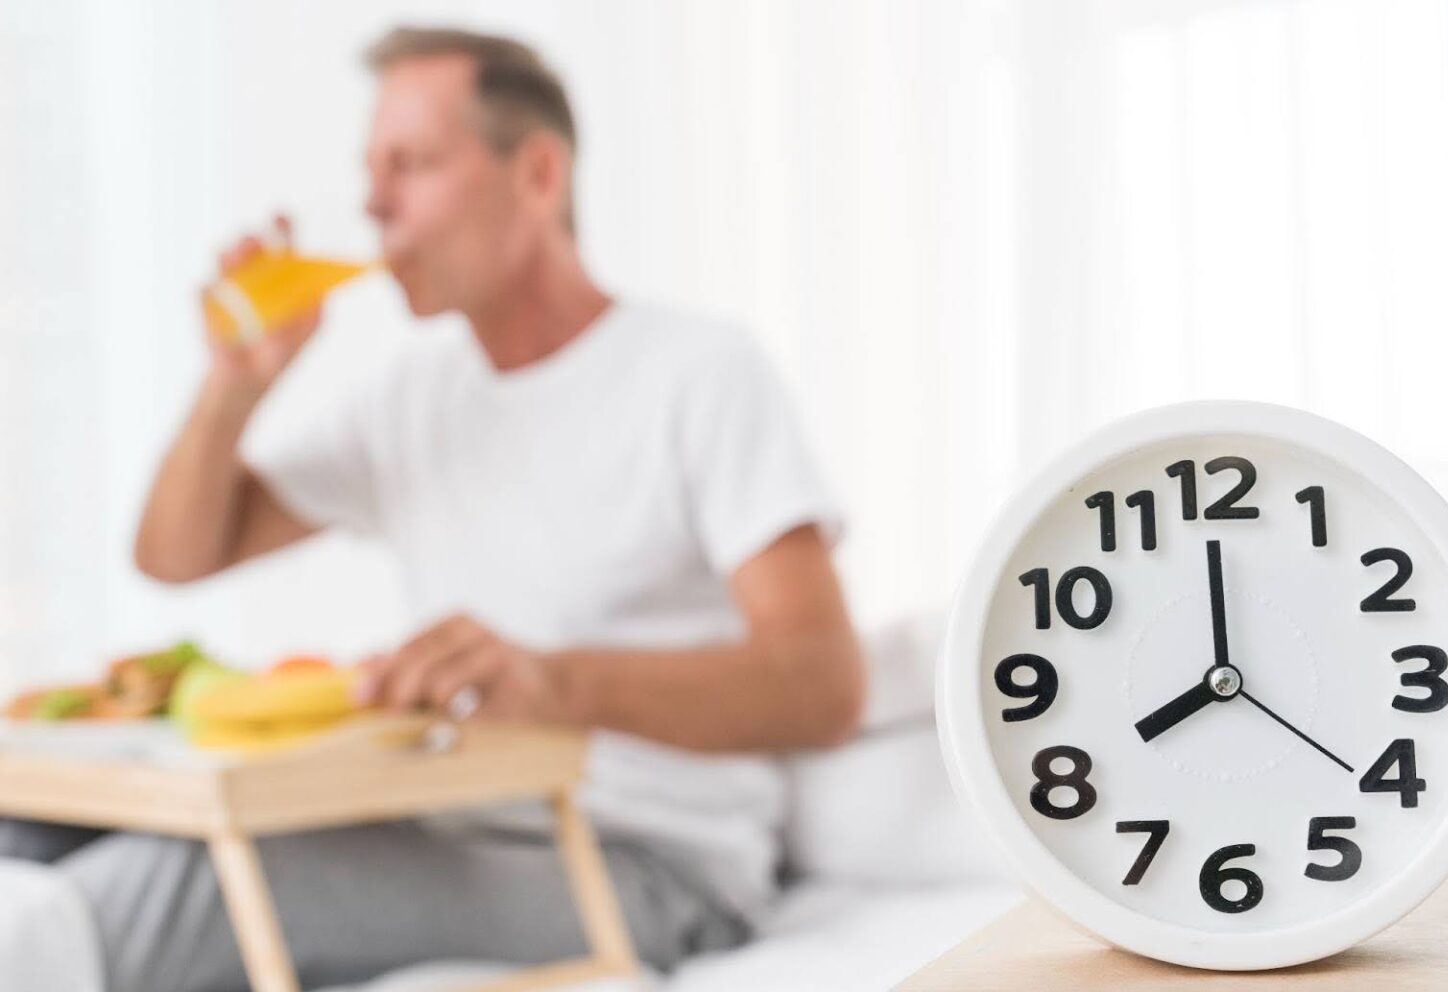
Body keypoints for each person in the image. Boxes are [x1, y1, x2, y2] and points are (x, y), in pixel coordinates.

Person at [0, 25, 863, 992]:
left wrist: (558, 683)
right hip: (445, 819)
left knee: (184, 888)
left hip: (648, 862)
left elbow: (824, 685)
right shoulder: (415, 400)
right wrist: (234, 385)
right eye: (370, 172)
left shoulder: (698, 373)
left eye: (410, 164)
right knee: (27, 828)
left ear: (537, 175)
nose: (374, 204)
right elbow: (175, 552)